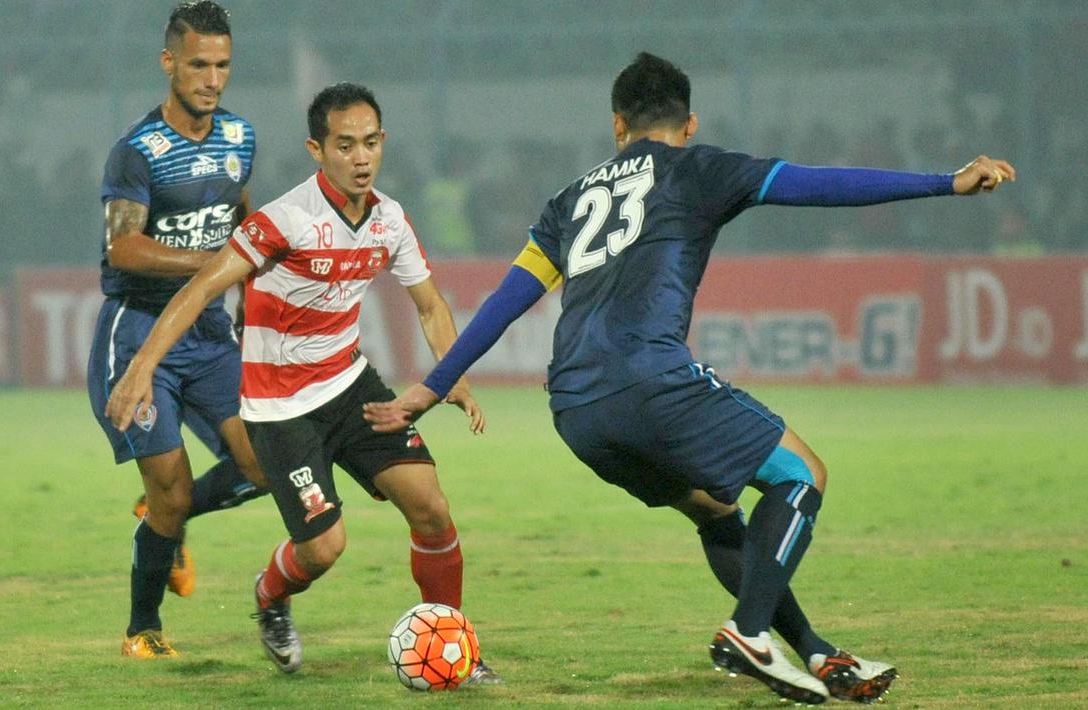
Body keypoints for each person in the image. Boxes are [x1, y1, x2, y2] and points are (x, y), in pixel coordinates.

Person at [363, 52, 1015, 705]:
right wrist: (945, 183)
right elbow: (818, 183)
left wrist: (428, 387)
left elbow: (506, 301)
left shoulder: (568, 200)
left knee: (714, 510)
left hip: (575, 408)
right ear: (690, 122)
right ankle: (749, 633)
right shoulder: (698, 167)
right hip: (650, 378)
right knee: (801, 474)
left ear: (617, 124)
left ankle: (816, 653)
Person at [105, 82, 502, 684]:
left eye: (370, 143)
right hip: (279, 407)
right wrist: (140, 370)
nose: (361, 158)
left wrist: (454, 378)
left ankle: (453, 645)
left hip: (350, 385)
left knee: (431, 507)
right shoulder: (285, 220)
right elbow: (202, 287)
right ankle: (270, 596)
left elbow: (429, 305)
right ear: (317, 150)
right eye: (345, 146)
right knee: (323, 548)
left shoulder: (389, 219)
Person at [87, 0, 270, 659]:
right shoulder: (137, 152)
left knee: (264, 463)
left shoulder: (239, 138)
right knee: (170, 488)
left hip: (208, 335)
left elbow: (239, 210)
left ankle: (163, 519)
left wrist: (245, 288)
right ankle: (143, 629)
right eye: (198, 65)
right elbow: (123, 248)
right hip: (139, 333)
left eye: (222, 66)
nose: (211, 79)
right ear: (169, 62)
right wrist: (212, 264)